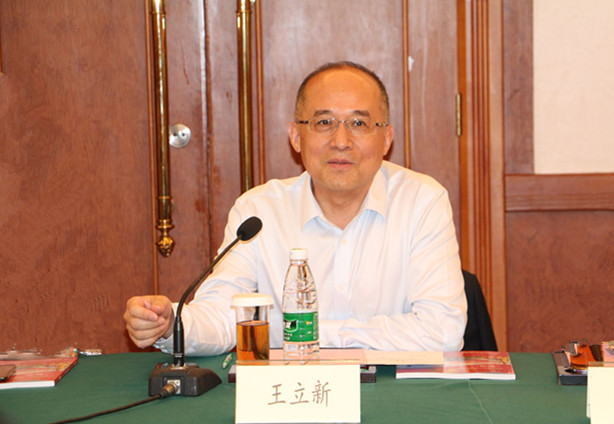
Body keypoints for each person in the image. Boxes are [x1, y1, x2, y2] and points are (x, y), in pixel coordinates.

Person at [124, 61, 467, 355]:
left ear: (386, 138)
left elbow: (442, 331)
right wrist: (170, 322)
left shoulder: (422, 202)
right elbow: (224, 315)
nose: (341, 141)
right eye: (324, 123)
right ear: (296, 136)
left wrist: (302, 334)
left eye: (359, 123)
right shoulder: (258, 211)